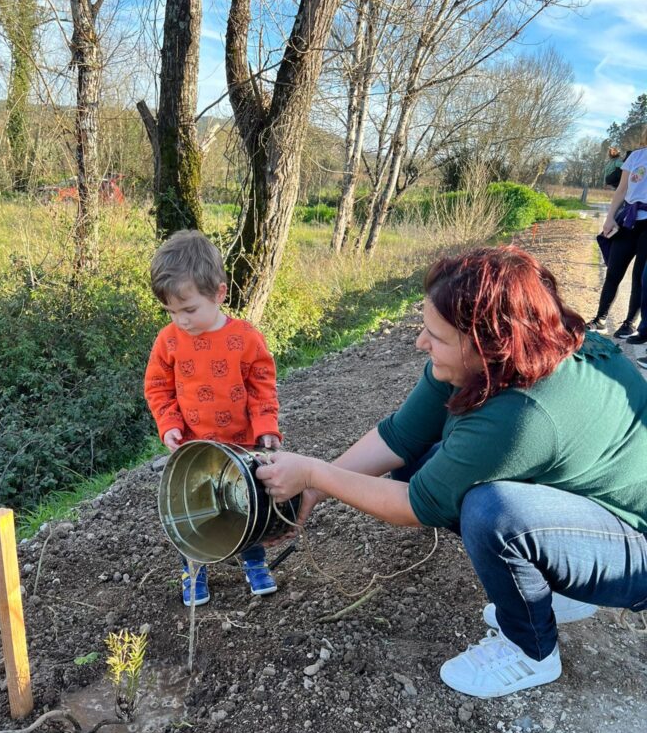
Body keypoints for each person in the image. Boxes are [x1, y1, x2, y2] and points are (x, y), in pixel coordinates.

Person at [256, 245, 647, 700]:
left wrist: (314, 474)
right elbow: (398, 439)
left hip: (635, 550)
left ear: (488, 343)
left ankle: (531, 650)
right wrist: (312, 490)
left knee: (492, 512)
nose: (421, 342)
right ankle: (562, 583)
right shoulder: (508, 355)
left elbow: (414, 506)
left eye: (436, 336)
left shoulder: (522, 414)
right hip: (592, 507)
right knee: (423, 461)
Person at [144, 230, 282, 606]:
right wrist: (169, 424)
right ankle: (193, 570)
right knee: (193, 511)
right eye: (171, 312)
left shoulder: (245, 339)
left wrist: (266, 427)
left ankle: (254, 563)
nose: (181, 320)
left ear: (219, 294)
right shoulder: (168, 341)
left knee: (246, 504)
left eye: (189, 310)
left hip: (241, 445)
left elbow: (261, 386)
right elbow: (158, 388)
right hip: (193, 449)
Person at [587, 141, 647, 340]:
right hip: (628, 220)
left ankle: (630, 323)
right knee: (613, 271)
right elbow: (621, 190)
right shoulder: (636, 156)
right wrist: (610, 216)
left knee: (640, 276)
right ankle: (600, 319)